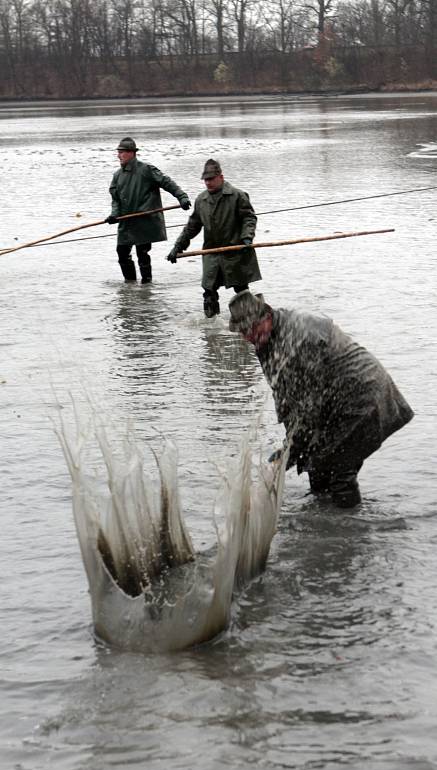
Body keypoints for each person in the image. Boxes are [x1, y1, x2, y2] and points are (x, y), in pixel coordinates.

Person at [228, 290, 414, 508]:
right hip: (334, 401)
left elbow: (309, 406)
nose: (248, 337)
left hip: (362, 397)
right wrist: (288, 450)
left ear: (266, 317)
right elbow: (288, 399)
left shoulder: (299, 338)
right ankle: (322, 528)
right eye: (242, 332)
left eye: (250, 329)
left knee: (339, 472)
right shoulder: (266, 340)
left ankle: (347, 534)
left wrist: (289, 452)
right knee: (317, 469)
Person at [166, 159, 262, 317]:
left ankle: (249, 324)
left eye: (211, 179)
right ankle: (211, 326)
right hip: (211, 253)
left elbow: (249, 218)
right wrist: (178, 247)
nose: (208, 183)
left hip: (235, 251)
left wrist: (247, 237)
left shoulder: (238, 195)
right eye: (205, 180)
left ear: (221, 177)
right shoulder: (201, 200)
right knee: (209, 291)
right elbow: (192, 226)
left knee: (241, 291)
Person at [106, 137, 191, 283]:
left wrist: (182, 197)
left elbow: (167, 182)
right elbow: (116, 199)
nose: (118, 155)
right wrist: (114, 215)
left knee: (142, 253)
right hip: (126, 222)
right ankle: (130, 283)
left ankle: (146, 285)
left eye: (122, 152)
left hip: (144, 219)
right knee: (122, 252)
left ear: (132, 153)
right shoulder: (117, 176)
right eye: (118, 152)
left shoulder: (146, 169)